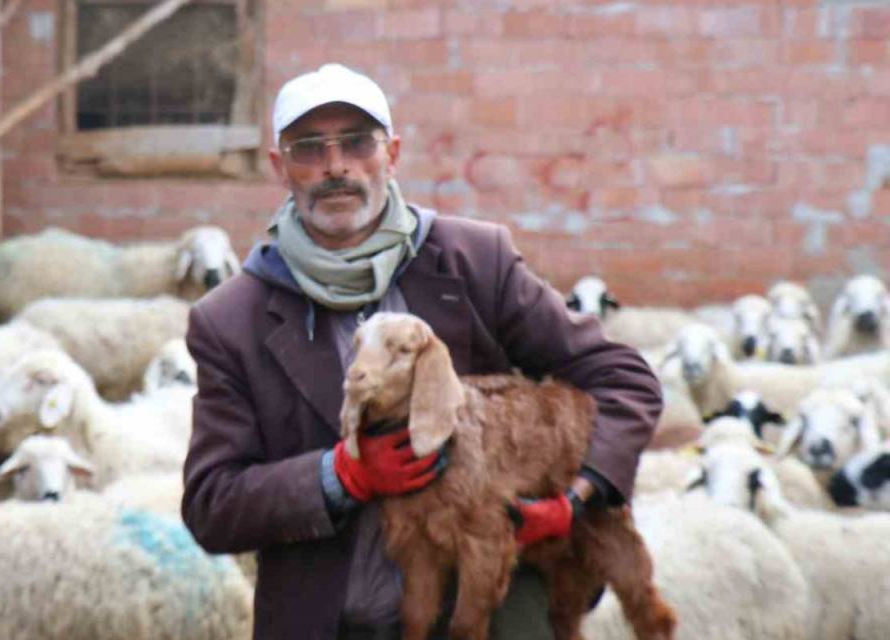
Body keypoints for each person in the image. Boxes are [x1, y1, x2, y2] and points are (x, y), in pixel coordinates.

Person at [180, 63, 662, 640]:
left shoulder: (472, 260)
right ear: (280, 168)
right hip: (333, 621)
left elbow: (623, 378)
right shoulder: (232, 318)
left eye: (358, 142)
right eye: (310, 148)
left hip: (485, 607)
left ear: (393, 154)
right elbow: (212, 503)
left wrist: (576, 499)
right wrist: (338, 475)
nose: (336, 166)